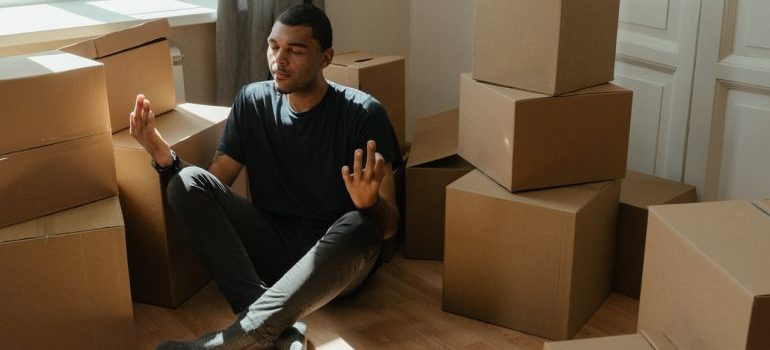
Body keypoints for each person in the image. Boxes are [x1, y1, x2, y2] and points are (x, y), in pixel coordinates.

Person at [128, 4, 402, 350]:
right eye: (273, 46)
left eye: (295, 50)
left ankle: (232, 340)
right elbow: (214, 183)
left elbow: (390, 225)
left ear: (326, 57)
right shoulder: (251, 100)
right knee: (186, 182)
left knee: (361, 225)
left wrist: (371, 204)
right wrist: (162, 156)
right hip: (272, 246)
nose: (279, 59)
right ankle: (274, 328)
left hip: (335, 264)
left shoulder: (364, 114)